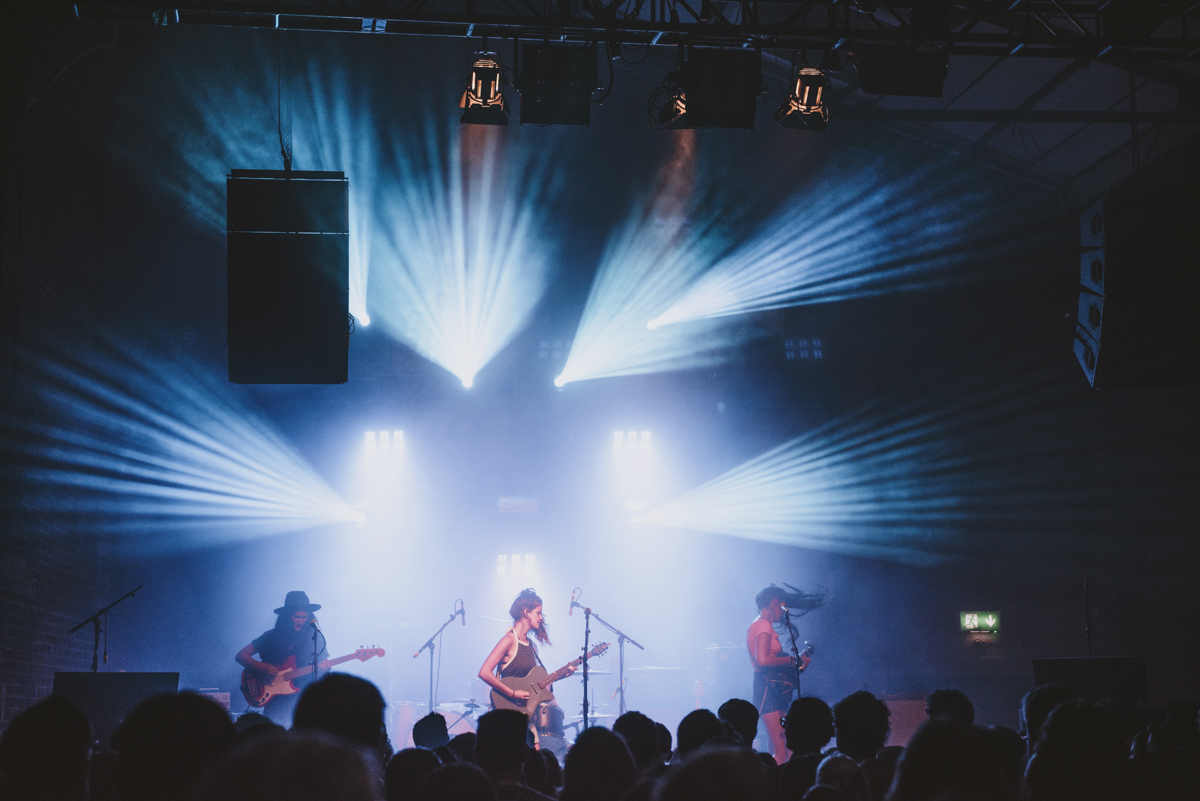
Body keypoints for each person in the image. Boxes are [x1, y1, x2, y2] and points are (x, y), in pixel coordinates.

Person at [236, 591, 328, 726]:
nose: (301, 621)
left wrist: (324, 668)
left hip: (302, 697)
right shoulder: (271, 636)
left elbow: (324, 666)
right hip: (275, 700)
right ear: (287, 616)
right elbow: (241, 655)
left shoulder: (315, 637)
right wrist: (262, 667)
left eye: (304, 617)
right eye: (297, 617)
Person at [477, 589, 573, 717]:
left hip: (527, 715)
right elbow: (484, 672)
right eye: (538, 613)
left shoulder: (532, 646)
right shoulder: (509, 640)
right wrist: (512, 693)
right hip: (507, 714)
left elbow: (535, 685)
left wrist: (561, 675)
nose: (541, 618)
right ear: (526, 613)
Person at [747, 584, 804, 764]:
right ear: (774, 602)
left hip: (772, 688)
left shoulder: (762, 625)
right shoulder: (763, 625)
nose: (784, 609)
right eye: (782, 604)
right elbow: (763, 660)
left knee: (784, 749)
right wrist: (790, 660)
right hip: (766, 688)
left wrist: (796, 663)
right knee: (782, 752)